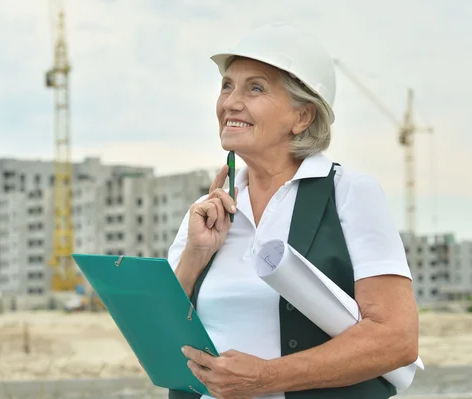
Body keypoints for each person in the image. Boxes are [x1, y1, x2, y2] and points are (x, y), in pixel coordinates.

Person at [167, 23, 419, 399]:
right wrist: (195, 255)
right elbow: (160, 334)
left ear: (302, 117)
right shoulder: (209, 212)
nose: (231, 102)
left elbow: (396, 339)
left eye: (256, 88)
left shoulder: (348, 193)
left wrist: (267, 377)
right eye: (227, 85)